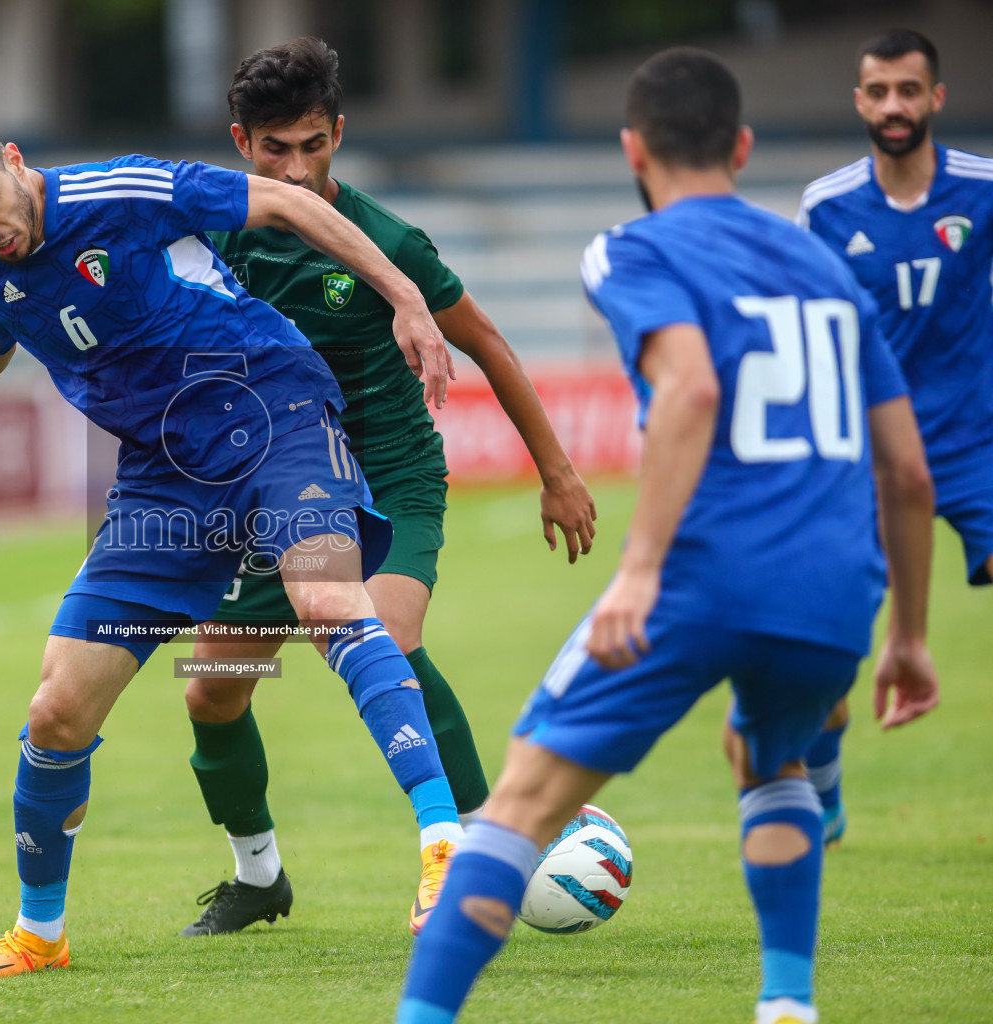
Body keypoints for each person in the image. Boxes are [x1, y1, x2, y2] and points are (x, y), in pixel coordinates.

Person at [395, 48, 941, 1024]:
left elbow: (690, 385)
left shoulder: (631, 249)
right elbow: (906, 470)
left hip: (705, 577)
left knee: (519, 800)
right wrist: (906, 634)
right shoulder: (822, 263)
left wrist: (638, 570)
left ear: (631, 149)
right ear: (740, 145)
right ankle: (785, 1002)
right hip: (835, 586)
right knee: (769, 760)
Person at [0, 110, 472, 980]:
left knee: (324, 601)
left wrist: (406, 296)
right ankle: (38, 934)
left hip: (272, 410)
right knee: (58, 709)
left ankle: (445, 846)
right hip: (164, 475)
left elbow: (282, 202)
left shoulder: (119, 192)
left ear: (13, 160)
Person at [177, 36, 598, 938]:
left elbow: (488, 344)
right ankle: (259, 878)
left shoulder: (389, 242)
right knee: (211, 689)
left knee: (386, 635)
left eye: (313, 145)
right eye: (273, 150)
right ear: (240, 141)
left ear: (339, 132)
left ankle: (481, 846)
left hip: (388, 479)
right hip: (277, 494)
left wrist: (557, 474)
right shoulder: (210, 233)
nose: (295, 168)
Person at [794, 28, 993, 848]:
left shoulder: (984, 191)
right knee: (818, 654)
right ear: (859, 101)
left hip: (977, 447)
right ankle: (828, 786)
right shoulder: (827, 207)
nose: (894, 106)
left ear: (936, 98)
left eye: (909, 90)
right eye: (878, 92)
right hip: (867, 456)